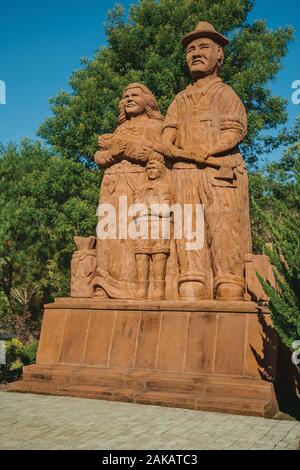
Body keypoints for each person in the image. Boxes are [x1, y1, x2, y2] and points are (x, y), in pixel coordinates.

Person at [162, 22, 252, 301]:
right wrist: (176, 150)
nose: (195, 53)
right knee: (188, 227)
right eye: (190, 49)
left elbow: (235, 131)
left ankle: (229, 280)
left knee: (224, 226)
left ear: (219, 55)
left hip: (220, 173)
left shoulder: (225, 94)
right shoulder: (180, 99)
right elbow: (167, 137)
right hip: (185, 172)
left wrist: (207, 150)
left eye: (203, 47)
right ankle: (192, 278)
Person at [93, 83, 164, 299]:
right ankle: (103, 285)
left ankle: (134, 287)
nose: (129, 99)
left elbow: (160, 156)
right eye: (125, 96)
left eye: (134, 95)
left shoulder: (157, 126)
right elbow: (102, 156)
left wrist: (127, 148)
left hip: (138, 185)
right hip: (111, 185)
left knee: (134, 236)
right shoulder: (120, 129)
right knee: (108, 237)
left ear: (148, 101)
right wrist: (109, 153)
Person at [133, 158, 172, 300]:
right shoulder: (140, 187)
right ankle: (142, 288)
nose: (151, 171)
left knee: (158, 254)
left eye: (154, 168)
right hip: (142, 224)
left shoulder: (164, 187)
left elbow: (166, 210)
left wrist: (149, 207)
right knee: (141, 254)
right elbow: (136, 208)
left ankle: (159, 289)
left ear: (160, 171)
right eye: (149, 169)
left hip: (160, 224)